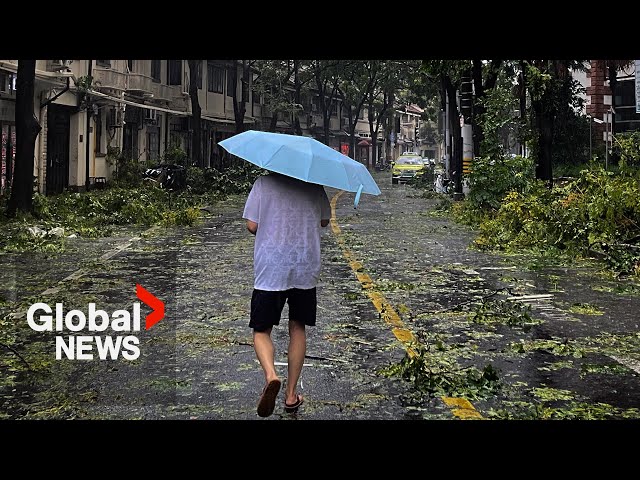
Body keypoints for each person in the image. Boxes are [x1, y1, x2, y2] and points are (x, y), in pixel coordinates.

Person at [243, 172, 331, 418]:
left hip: (271, 267)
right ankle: (291, 396)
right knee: (298, 327)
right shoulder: (314, 185)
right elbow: (324, 221)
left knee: (261, 330)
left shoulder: (262, 183)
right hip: (304, 264)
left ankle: (271, 375)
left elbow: (252, 225)